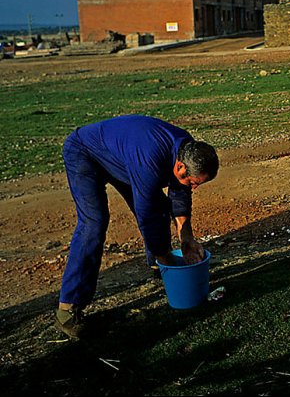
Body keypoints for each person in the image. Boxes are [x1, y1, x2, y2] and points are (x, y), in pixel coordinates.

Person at [55, 115, 219, 339]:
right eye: (193, 182)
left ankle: (158, 268)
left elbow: (179, 192)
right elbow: (147, 213)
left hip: (121, 157)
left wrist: (186, 238)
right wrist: (166, 257)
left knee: (161, 207)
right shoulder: (149, 160)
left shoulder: (187, 148)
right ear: (180, 166)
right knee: (94, 223)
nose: (194, 188)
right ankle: (69, 310)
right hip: (85, 152)